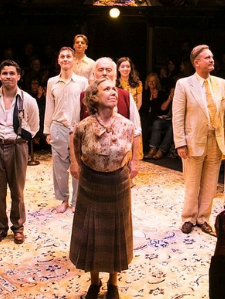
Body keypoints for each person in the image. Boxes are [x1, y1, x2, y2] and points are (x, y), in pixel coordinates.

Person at [70, 77, 137, 299]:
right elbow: (77, 149)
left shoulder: (127, 125)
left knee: (115, 234)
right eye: (106, 89)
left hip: (117, 183)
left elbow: (133, 149)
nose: (113, 92)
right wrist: (81, 168)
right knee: (92, 234)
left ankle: (114, 283)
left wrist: (134, 163)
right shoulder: (84, 126)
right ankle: (95, 281)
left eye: (114, 89)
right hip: (91, 184)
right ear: (94, 97)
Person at [172, 45, 225, 234]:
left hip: (216, 139)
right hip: (193, 140)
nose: (212, 60)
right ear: (196, 62)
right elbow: (178, 116)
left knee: (210, 182)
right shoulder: (184, 84)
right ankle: (189, 217)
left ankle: (203, 217)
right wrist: (180, 142)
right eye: (207, 58)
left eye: (212, 57)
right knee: (192, 182)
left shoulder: (221, 83)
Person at [0, 60, 39, 245]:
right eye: (5, 73)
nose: (8, 76)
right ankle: (0, 228)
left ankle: (18, 227)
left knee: (17, 190)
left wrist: (20, 138)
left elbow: (34, 126)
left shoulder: (27, 100)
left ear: (18, 76)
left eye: (11, 73)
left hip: (17, 146)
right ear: (0, 76)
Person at [44, 47, 88, 213]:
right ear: (58, 60)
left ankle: (77, 201)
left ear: (73, 59)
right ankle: (63, 199)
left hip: (77, 128)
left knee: (77, 165)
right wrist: (47, 130)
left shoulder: (82, 82)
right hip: (58, 127)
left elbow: (86, 107)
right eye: (62, 56)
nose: (65, 59)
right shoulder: (52, 82)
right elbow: (49, 105)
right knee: (60, 167)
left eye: (68, 56)